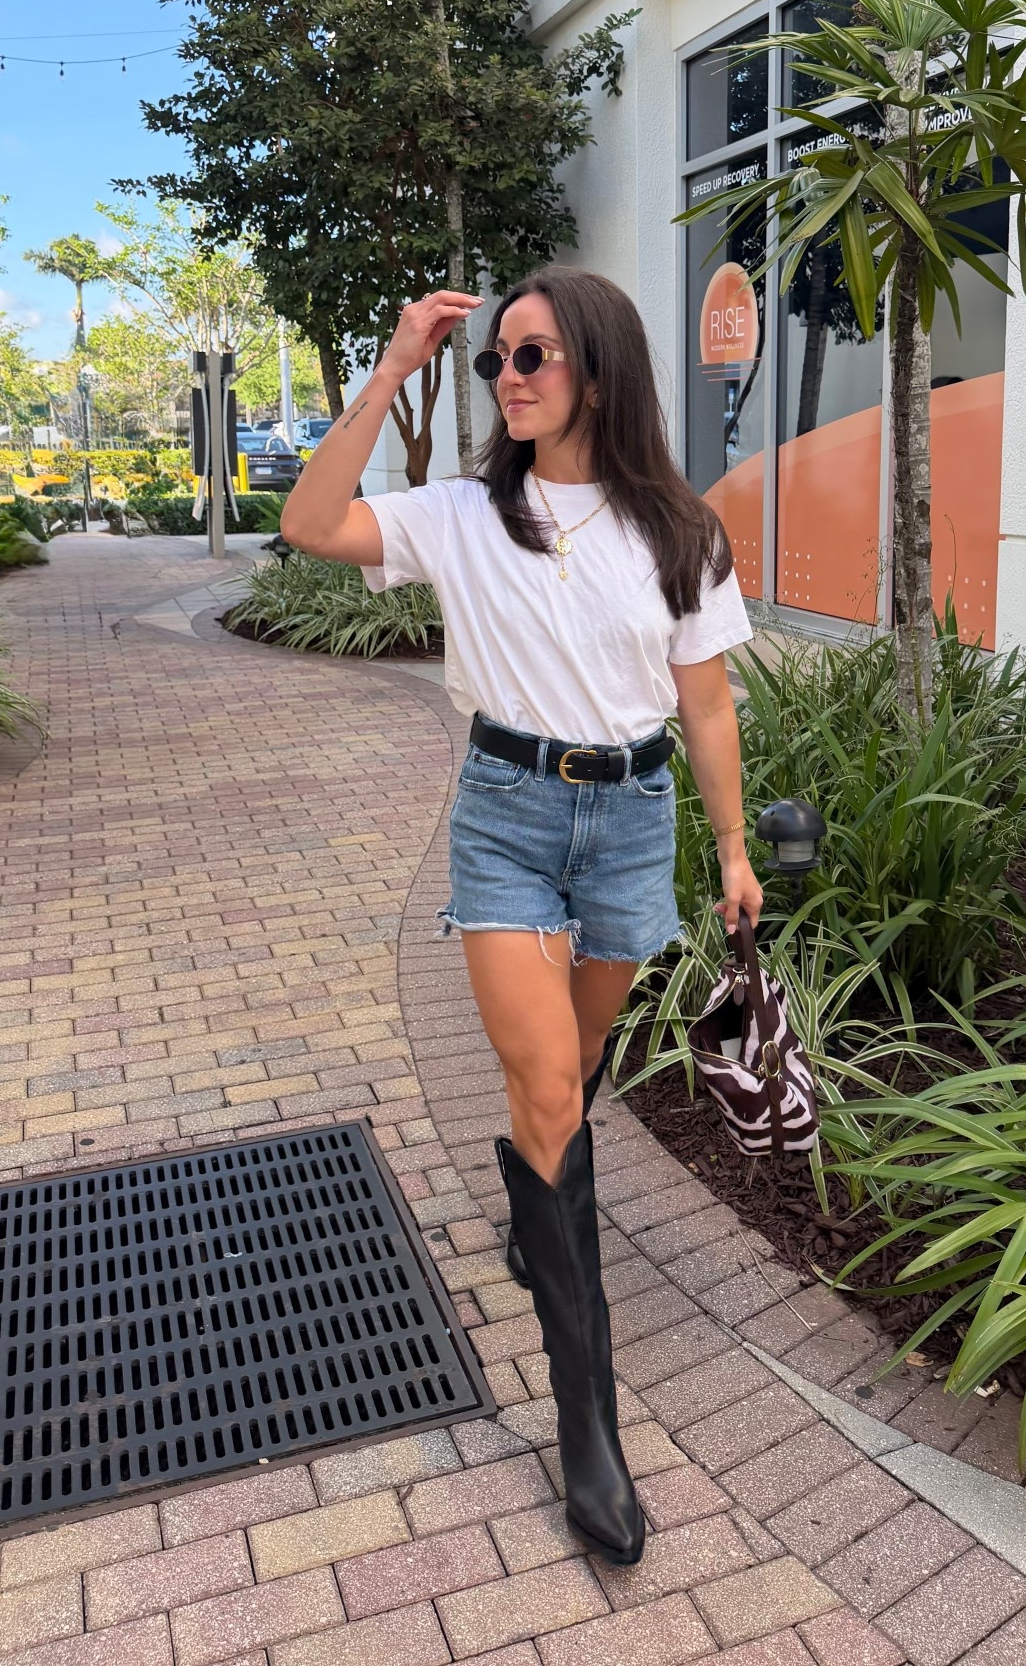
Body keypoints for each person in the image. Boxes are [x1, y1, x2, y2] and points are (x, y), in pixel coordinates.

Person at [280, 267, 763, 1567]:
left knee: (576, 1072)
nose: (510, 375)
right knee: (547, 1083)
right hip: (503, 812)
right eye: (498, 358)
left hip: (631, 825)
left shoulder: (680, 531)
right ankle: (588, 1427)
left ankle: (535, 1204)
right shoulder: (460, 515)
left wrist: (730, 844)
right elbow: (309, 522)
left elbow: (706, 703)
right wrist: (391, 368)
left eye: (533, 355)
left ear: (595, 369)